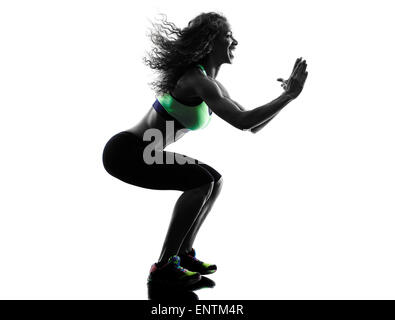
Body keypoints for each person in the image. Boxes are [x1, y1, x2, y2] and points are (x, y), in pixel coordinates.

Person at [102, 12, 308, 287]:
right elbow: (242, 122)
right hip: (127, 152)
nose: (234, 41)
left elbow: (251, 125)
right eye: (228, 35)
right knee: (201, 182)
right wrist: (287, 95)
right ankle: (164, 266)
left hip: (143, 152)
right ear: (211, 42)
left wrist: (286, 100)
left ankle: (183, 255)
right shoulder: (196, 81)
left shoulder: (212, 85)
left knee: (214, 180)